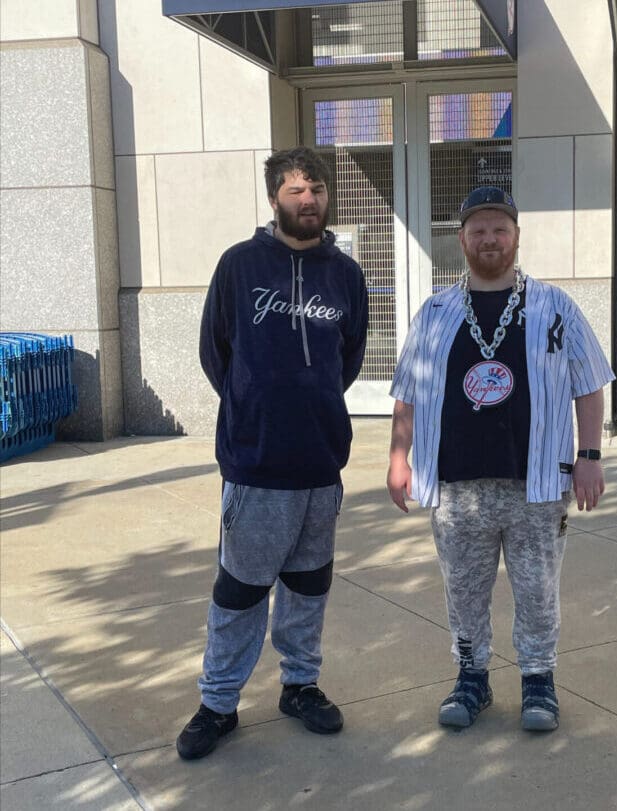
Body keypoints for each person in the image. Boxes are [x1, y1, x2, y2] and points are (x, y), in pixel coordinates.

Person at [387, 186, 614, 733]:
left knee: (537, 590)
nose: (489, 239)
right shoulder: (435, 311)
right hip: (457, 486)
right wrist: (399, 457)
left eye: (499, 229)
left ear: (516, 236)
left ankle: (538, 680)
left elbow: (589, 385)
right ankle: (472, 678)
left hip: (535, 483)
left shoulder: (555, 306)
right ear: (462, 239)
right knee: (464, 592)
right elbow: (408, 392)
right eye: (479, 230)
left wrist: (589, 456)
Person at [177, 146, 368, 760]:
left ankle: (300, 685)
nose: (308, 199)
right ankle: (218, 703)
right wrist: (254, 401)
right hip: (256, 463)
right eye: (295, 190)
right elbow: (215, 352)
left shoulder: (346, 275)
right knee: (240, 591)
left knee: (308, 587)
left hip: (320, 464)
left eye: (317, 189)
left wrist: (312, 403)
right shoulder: (239, 265)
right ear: (273, 198)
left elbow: (348, 357)